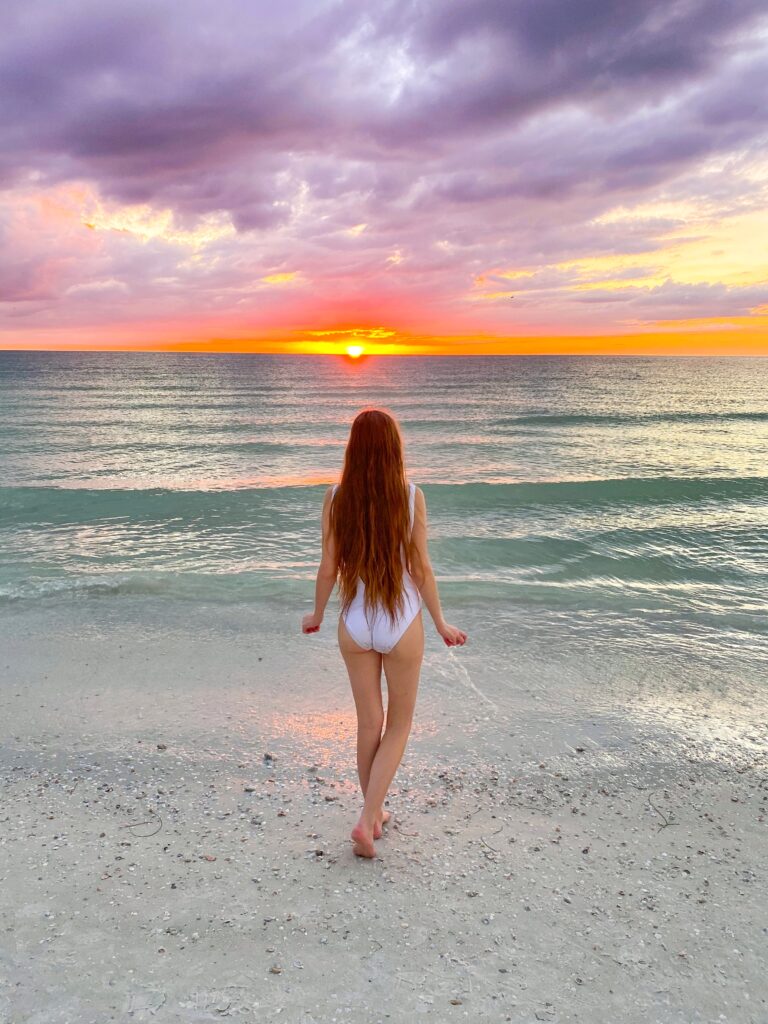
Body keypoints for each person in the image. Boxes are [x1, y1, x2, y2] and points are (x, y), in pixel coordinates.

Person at [301, 408, 467, 858]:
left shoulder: (336, 497)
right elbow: (421, 568)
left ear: (352, 449)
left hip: (354, 621)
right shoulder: (412, 495)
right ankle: (366, 818)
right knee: (398, 724)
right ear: (395, 448)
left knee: (369, 723)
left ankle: (373, 814)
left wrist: (316, 612)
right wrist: (440, 622)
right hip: (401, 620)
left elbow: (329, 566)